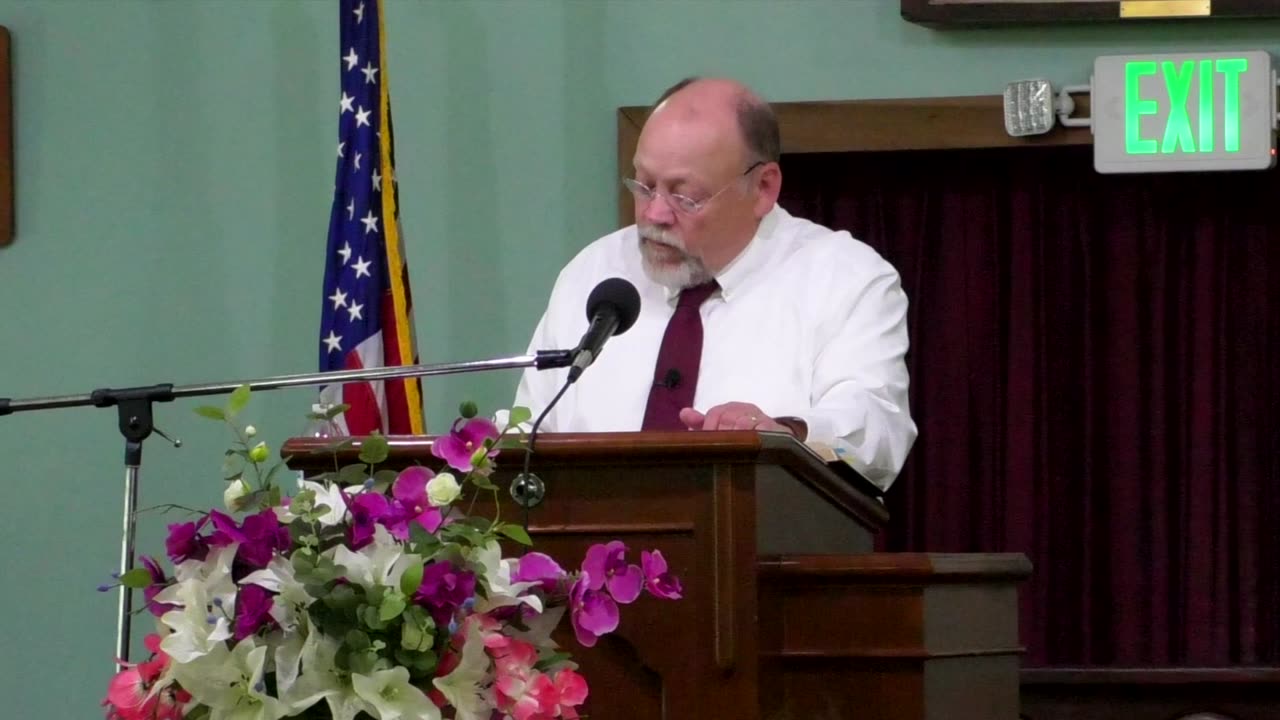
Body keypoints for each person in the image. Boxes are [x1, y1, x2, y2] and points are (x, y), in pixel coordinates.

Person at [512, 77, 916, 491]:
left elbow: (878, 432)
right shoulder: (594, 273)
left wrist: (786, 434)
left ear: (763, 188)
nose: (654, 214)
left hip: (765, 548)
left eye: (684, 196)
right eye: (644, 185)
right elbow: (528, 429)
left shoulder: (844, 278)